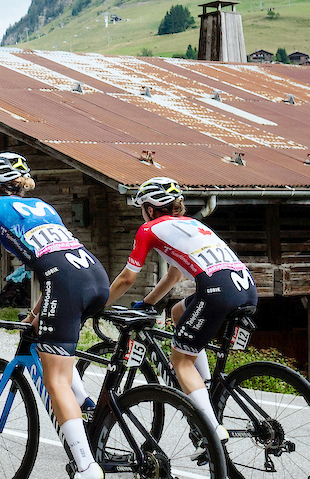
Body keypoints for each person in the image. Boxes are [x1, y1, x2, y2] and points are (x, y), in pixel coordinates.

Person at [0, 152, 109, 479]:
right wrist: (38, 311)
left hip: (66, 283)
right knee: (55, 348)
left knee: (55, 379)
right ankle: (87, 407)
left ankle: (86, 468)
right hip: (95, 275)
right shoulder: (44, 206)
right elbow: (55, 260)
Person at [104, 176, 257, 446]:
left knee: (181, 361)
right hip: (246, 287)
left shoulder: (149, 229)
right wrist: (149, 302)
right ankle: (205, 387)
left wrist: (98, 303)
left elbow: (127, 279)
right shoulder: (192, 224)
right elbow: (174, 275)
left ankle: (210, 428)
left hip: (217, 292)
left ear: (149, 209)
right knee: (178, 312)